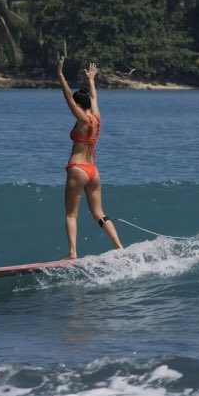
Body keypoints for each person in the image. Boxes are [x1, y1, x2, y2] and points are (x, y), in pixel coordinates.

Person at [58, 57, 124, 259]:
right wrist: (91, 79)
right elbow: (94, 99)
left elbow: (68, 98)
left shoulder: (82, 119)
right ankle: (119, 247)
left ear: (79, 105)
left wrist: (60, 74)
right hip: (93, 171)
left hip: (77, 169)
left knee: (71, 214)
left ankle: (72, 253)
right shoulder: (96, 118)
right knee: (99, 214)